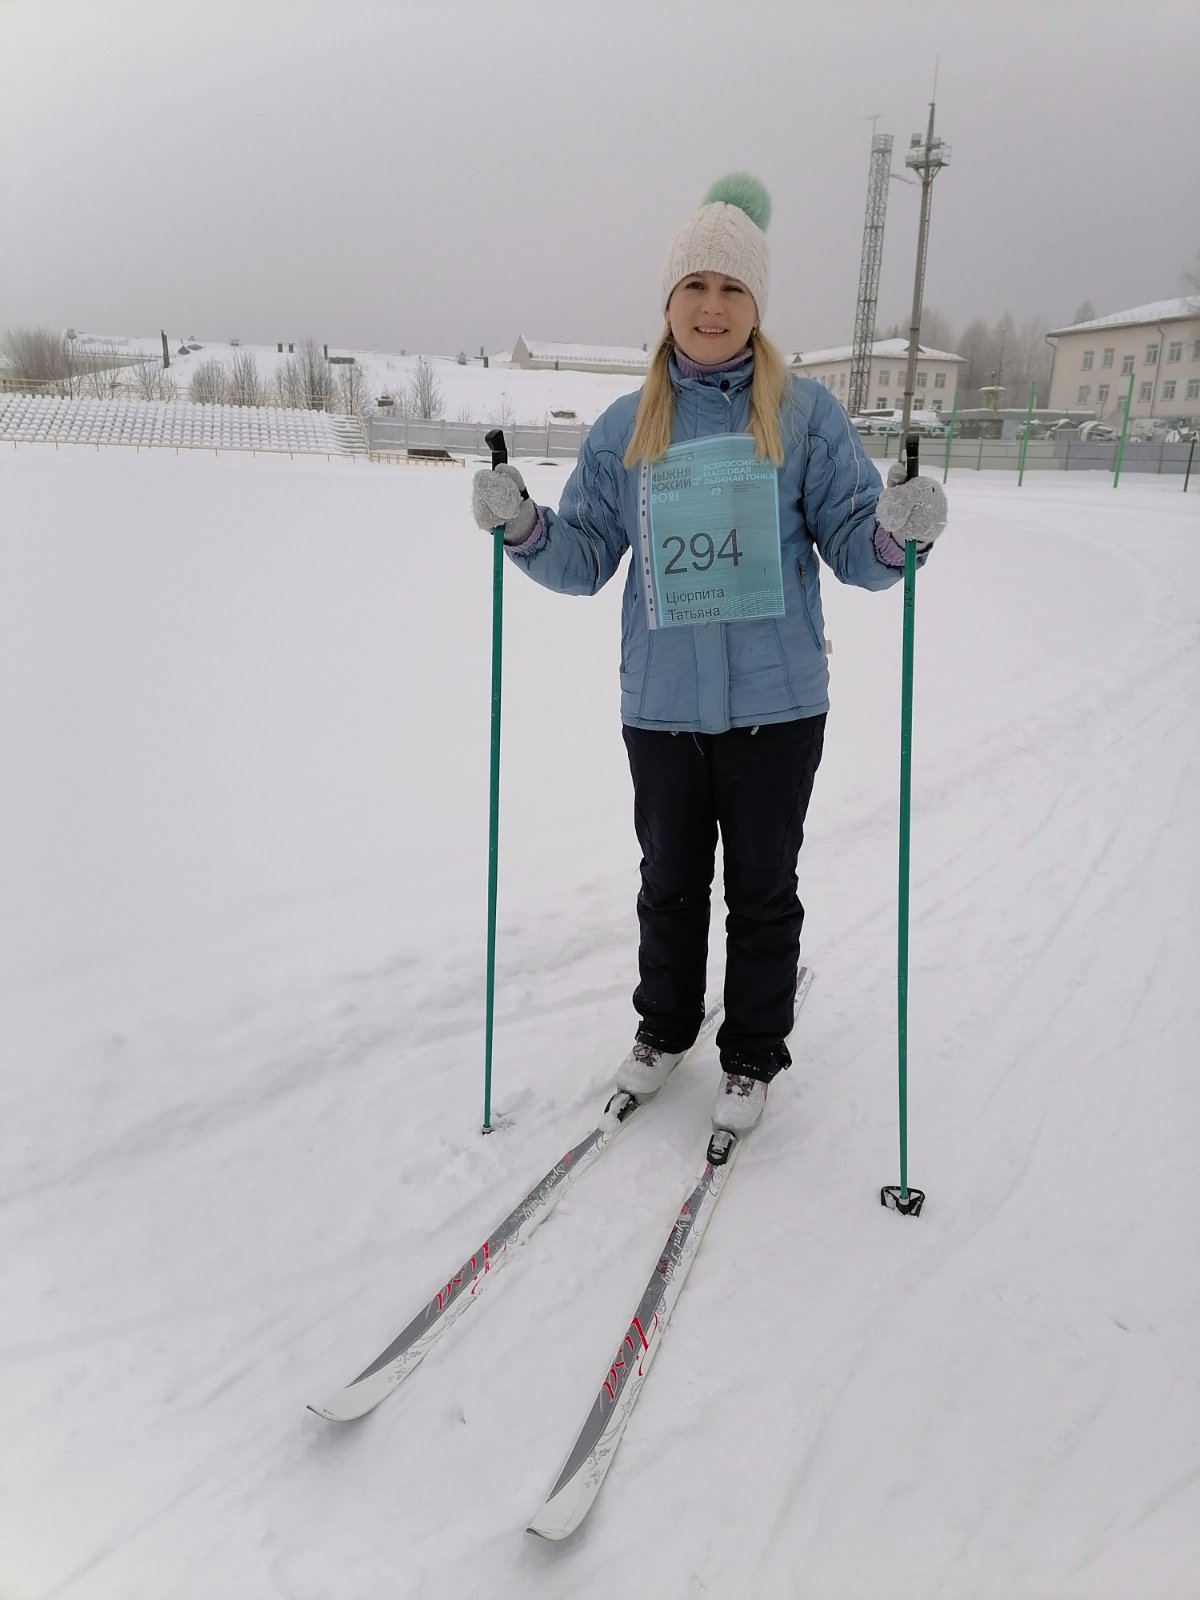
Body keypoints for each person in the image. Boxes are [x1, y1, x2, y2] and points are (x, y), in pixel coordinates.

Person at [472, 174, 947, 1137]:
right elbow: (587, 556)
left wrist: (898, 532)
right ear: (668, 301)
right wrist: (522, 527)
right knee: (669, 884)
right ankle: (665, 1027)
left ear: (757, 305)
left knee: (764, 889)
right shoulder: (625, 427)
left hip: (779, 704)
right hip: (662, 706)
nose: (712, 306)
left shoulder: (805, 416)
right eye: (695, 285)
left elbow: (855, 547)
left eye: (732, 288)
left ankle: (753, 1051)